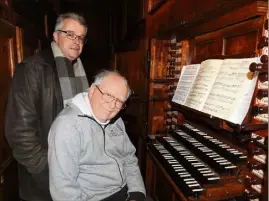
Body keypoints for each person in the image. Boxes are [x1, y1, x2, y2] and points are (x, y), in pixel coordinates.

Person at [5, 12, 89, 201]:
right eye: (70, 34)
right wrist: (47, 172)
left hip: (76, 172)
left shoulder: (79, 71)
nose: (76, 41)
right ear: (55, 35)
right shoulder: (32, 69)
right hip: (43, 180)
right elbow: (19, 134)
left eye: (81, 37)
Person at [48, 70, 146, 201]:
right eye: (108, 95)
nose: (112, 106)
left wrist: (137, 192)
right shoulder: (67, 126)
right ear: (92, 91)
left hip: (126, 190)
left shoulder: (116, 120)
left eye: (119, 101)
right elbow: (63, 188)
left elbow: (129, 158)